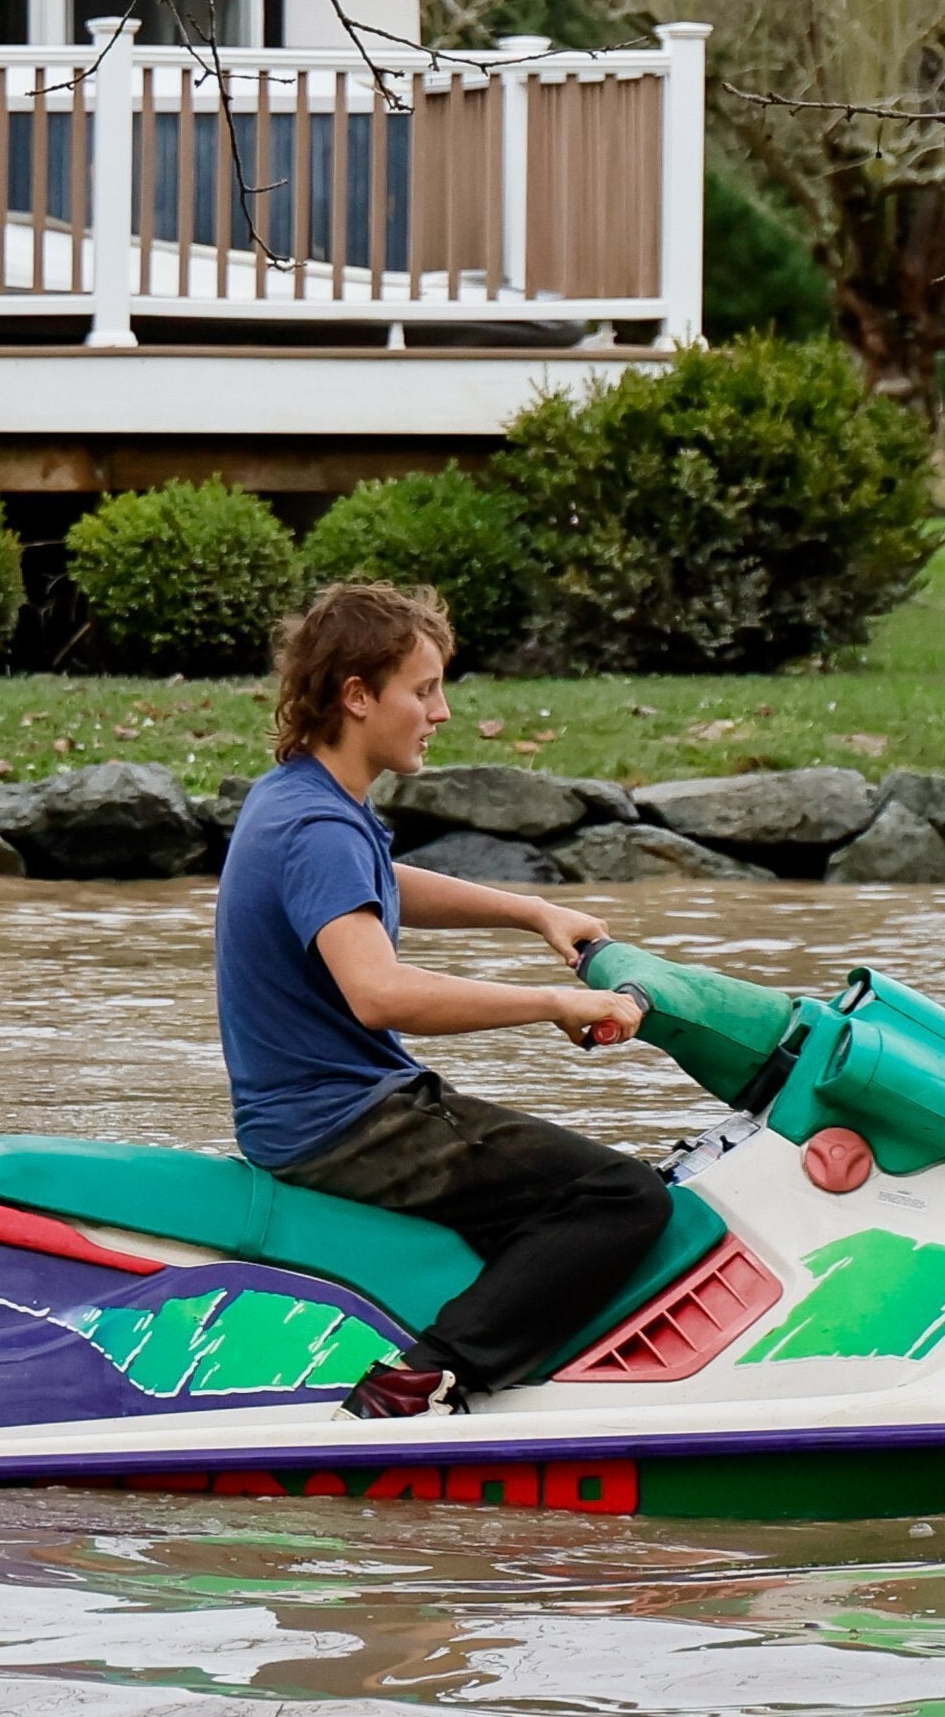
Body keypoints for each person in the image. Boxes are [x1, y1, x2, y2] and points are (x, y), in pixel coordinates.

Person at [218, 579, 670, 1418]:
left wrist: (531, 910)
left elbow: (380, 884)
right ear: (357, 696)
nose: (443, 711)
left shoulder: (299, 797)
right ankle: (422, 1382)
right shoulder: (318, 827)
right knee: (622, 1196)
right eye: (423, 690)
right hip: (342, 1123)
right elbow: (378, 994)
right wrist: (551, 1003)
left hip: (312, 1112)